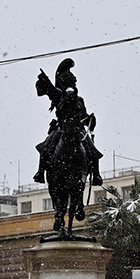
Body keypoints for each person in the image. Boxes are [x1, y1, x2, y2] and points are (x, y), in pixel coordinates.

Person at [34, 58, 103, 186]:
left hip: (78, 129)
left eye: (72, 82)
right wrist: (45, 80)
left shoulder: (79, 100)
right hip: (61, 128)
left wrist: (90, 120)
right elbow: (48, 89)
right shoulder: (58, 96)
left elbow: (84, 116)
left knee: (92, 150)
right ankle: (40, 172)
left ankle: (96, 175)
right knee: (46, 147)